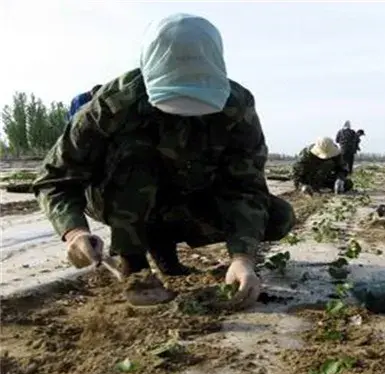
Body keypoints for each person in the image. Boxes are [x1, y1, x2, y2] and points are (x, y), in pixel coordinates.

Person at [32, 13, 296, 309]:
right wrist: (75, 232)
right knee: (137, 160)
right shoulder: (112, 107)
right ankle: (134, 265)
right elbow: (55, 179)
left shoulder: (237, 109)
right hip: (117, 198)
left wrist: (242, 258)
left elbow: (245, 187)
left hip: (188, 198)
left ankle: (163, 248)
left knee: (278, 216)